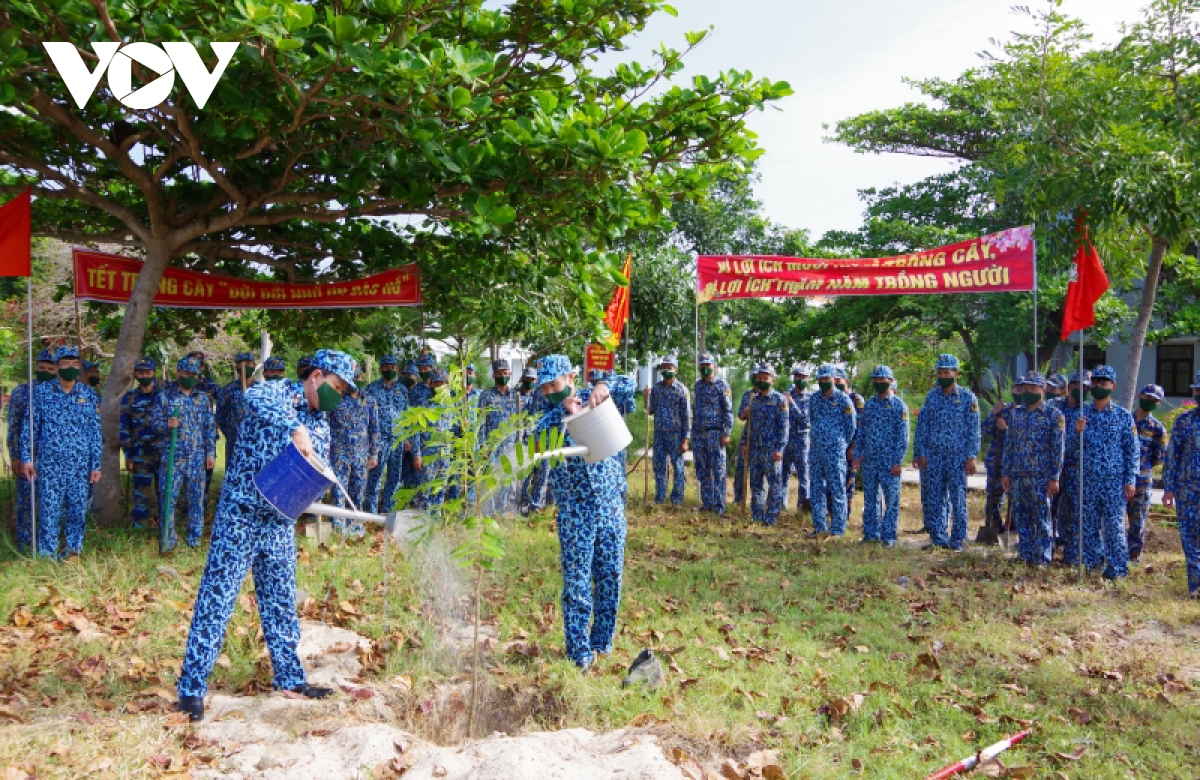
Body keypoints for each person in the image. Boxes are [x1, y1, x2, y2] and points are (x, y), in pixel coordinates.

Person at [176, 349, 356, 722]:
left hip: (278, 522)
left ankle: (290, 678)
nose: (336, 396)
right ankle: (191, 689)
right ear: (317, 377)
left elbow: (312, 472)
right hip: (239, 517)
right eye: (335, 387)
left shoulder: (321, 425)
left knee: (279, 604)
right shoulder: (277, 393)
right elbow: (252, 397)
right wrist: (295, 427)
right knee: (218, 600)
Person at [534, 355, 635, 670]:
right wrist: (559, 413)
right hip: (575, 509)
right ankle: (579, 652)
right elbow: (535, 437)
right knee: (577, 580)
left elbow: (629, 386)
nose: (551, 390)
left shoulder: (598, 398)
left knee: (609, 576)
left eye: (555, 383)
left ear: (570, 377)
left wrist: (603, 385)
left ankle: (602, 643)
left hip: (609, 504)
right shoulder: (548, 414)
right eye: (546, 387)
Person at [19, 346, 101, 559]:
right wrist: (27, 458)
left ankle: (74, 550)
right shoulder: (41, 393)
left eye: (75, 363)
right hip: (49, 464)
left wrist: (96, 464)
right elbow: (30, 428)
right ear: (56, 366)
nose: (71, 367)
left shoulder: (88, 395)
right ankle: (47, 553)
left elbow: (94, 431)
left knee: (77, 510)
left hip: (79, 465)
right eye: (66, 363)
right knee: (50, 510)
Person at [1073, 365, 1138, 579]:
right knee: (1088, 525)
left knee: (1114, 526)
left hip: (1113, 481)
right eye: (1096, 382)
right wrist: (1076, 432)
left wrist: (1130, 480)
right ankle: (1092, 564)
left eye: (1104, 383)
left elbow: (1132, 450)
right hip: (1088, 479)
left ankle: (1117, 569)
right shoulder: (1082, 415)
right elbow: (1071, 449)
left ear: (1113, 386)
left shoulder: (1123, 416)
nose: (1099, 386)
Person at [913, 354, 980, 552]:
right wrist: (920, 452)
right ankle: (938, 538)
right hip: (933, 456)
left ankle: (958, 540)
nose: (942, 376)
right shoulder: (932, 396)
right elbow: (923, 425)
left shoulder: (968, 398)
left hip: (957, 458)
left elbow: (973, 430)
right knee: (935, 498)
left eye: (946, 372)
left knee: (958, 498)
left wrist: (971, 456)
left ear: (956, 373)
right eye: (940, 372)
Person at [154, 357, 218, 551]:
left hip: (196, 458)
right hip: (172, 457)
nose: (190, 378)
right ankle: (168, 540)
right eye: (187, 374)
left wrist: (210, 453)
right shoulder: (165, 397)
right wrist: (167, 425)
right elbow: (154, 424)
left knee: (197, 500)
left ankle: (194, 539)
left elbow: (209, 428)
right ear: (178, 373)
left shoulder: (202, 398)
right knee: (168, 499)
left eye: (194, 375)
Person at [1001, 373, 1064, 566]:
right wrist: (1006, 472)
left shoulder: (1054, 415)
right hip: (1019, 475)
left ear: (1043, 390)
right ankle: (1025, 553)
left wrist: (1054, 477)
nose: (1029, 392)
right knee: (1022, 516)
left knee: (1042, 519)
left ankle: (1043, 557)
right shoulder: (1016, 414)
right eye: (1026, 389)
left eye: (1033, 389)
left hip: (1041, 476)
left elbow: (1058, 448)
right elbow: (1009, 444)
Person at [853, 366, 908, 546]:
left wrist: (898, 461)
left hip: (890, 461)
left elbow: (903, 436)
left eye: (882, 380)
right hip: (870, 460)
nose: (878, 383)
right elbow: (861, 431)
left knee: (891, 500)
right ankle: (870, 534)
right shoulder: (869, 404)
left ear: (891, 381)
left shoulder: (899, 405)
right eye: (875, 380)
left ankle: (889, 536)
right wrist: (858, 454)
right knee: (870, 499)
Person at [8, 349, 56, 550]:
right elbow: (14, 426)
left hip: (54, 456)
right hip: (28, 456)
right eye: (41, 367)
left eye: (49, 368)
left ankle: (49, 543)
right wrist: (15, 455)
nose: (44, 371)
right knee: (27, 500)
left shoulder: (61, 392)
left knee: (52, 501)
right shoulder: (22, 392)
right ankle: (26, 543)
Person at [807, 364, 856, 537]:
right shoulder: (814, 398)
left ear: (833, 379)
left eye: (826, 379)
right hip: (816, 451)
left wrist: (840, 443)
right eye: (820, 379)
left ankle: (837, 528)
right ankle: (819, 526)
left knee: (837, 489)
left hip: (835, 451)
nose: (823, 382)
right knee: (816, 489)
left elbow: (851, 427)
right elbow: (812, 419)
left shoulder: (843, 400)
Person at [1163, 371, 1200, 597]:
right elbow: (1172, 456)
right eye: (1198, 390)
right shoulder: (1184, 421)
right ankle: (1196, 587)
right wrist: (1169, 488)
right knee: (1190, 539)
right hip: (1188, 491)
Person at [739, 364, 789, 525]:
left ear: (772, 380)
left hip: (771, 449)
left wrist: (780, 448)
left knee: (774, 485)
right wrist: (744, 443)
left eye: (765, 378)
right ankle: (757, 514)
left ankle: (771, 517)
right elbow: (749, 424)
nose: (761, 380)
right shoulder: (754, 399)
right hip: (755, 448)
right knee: (756, 483)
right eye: (759, 377)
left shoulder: (779, 400)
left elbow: (784, 427)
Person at [329, 382, 380, 534]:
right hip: (339, 453)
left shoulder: (369, 400)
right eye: (353, 378)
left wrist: (374, 454)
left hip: (361, 454)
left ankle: (355, 527)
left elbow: (374, 428)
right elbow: (327, 424)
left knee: (357, 491)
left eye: (358, 377)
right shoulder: (335, 399)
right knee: (338, 490)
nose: (355, 381)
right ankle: (338, 527)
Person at [119, 356, 163, 530]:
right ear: (135, 374)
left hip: (162, 454)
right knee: (140, 494)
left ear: (153, 373)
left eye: (147, 372)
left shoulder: (164, 396)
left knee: (164, 493)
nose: (144, 375)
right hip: (139, 454)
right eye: (140, 372)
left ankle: (164, 529)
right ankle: (140, 528)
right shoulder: (129, 398)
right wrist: (128, 455)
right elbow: (124, 428)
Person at [362, 354, 408, 513]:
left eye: (393, 366)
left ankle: (388, 510)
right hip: (379, 440)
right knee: (375, 477)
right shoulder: (371, 389)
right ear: (381, 368)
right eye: (387, 366)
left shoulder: (401, 390)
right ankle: (371, 512)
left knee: (395, 477)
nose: (390, 369)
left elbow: (406, 414)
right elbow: (365, 415)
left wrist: (406, 437)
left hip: (397, 439)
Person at [1127, 384, 1167, 563]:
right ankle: (1113, 555)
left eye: (1154, 400)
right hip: (1120, 479)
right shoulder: (1124, 419)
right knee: (1113, 521)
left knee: (1138, 522)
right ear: (1139, 396)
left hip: (1142, 481)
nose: (1149, 402)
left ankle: (1133, 558)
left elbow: (1159, 457)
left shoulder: (1157, 429)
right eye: (1147, 397)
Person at [978, 379, 1022, 544]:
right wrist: (994, 413)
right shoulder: (1004, 410)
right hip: (996, 462)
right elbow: (985, 430)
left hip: (1016, 464)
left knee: (1016, 501)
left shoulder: (1027, 414)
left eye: (1023, 389)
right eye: (1017, 389)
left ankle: (1012, 531)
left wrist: (1007, 429)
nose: (1020, 392)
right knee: (992, 500)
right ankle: (994, 528)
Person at [645, 355, 690, 508]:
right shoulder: (656, 389)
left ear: (675, 370)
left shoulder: (682, 390)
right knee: (659, 466)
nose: (666, 370)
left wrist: (685, 440)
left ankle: (677, 499)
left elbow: (686, 416)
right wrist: (646, 398)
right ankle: (660, 496)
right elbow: (650, 410)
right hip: (659, 433)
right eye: (664, 368)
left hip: (675, 434)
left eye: (669, 368)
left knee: (677, 467)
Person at [1055, 370, 1090, 563]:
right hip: (1054, 469)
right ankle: (1048, 548)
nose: (1083, 391)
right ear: (1070, 387)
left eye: (1087, 388)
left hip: (1076, 470)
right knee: (1050, 510)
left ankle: (1072, 553)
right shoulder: (1055, 407)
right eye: (1080, 386)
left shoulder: (1087, 412)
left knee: (1074, 512)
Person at [692, 353, 733, 516]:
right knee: (702, 470)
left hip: (716, 433)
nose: (705, 368)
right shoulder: (698, 386)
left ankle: (719, 505)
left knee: (718, 471)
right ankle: (707, 503)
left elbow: (728, 410)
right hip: (699, 434)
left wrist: (726, 432)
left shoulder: (722, 386)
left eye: (708, 365)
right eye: (702, 365)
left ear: (714, 367)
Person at [478, 359, 521, 514]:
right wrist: (482, 444)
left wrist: (519, 443)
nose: (502, 375)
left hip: (510, 445)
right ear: (494, 374)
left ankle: (502, 511)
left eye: (505, 372)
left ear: (509, 374)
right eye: (499, 373)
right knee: (490, 479)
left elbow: (519, 422)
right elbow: (481, 422)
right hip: (491, 446)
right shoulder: (486, 396)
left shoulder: (516, 395)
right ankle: (488, 512)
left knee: (507, 481)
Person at [519, 366, 553, 513]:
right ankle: (528, 503)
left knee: (546, 473)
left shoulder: (554, 390)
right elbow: (536, 419)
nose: (530, 382)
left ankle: (541, 505)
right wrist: (537, 439)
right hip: (533, 440)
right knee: (530, 472)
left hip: (551, 439)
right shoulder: (540, 392)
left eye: (533, 379)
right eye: (527, 379)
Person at [216, 352, 255, 472]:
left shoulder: (261, 390)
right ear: (236, 367)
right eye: (241, 364)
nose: (244, 367)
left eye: (248, 363)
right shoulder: (227, 390)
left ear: (254, 365)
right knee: (233, 474)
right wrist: (231, 434)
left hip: (255, 443)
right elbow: (220, 417)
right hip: (234, 443)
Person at [782, 366, 812, 513]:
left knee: (804, 476)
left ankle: (802, 508)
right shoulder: (786, 395)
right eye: (797, 376)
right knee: (782, 474)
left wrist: (791, 403)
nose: (799, 379)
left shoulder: (810, 399)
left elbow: (805, 420)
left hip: (802, 441)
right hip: (786, 440)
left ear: (808, 379)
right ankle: (781, 505)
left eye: (803, 377)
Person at [834, 368, 865, 509]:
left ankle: (846, 512)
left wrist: (854, 447)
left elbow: (860, 426)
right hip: (835, 447)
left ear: (846, 381)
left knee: (848, 481)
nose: (835, 383)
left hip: (851, 447)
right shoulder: (832, 398)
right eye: (833, 380)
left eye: (838, 380)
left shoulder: (855, 399)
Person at [732, 377, 754, 506]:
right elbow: (740, 415)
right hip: (747, 437)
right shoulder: (748, 395)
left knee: (759, 474)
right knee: (740, 468)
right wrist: (745, 413)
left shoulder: (773, 398)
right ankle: (738, 498)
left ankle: (758, 503)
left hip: (763, 440)